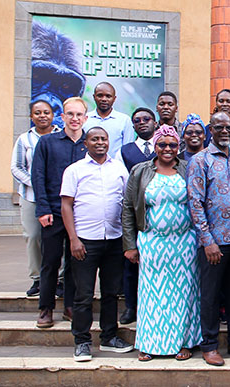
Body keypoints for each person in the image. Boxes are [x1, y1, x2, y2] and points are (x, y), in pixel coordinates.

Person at [122, 125, 200, 362]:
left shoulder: (188, 168)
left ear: (180, 147)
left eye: (173, 145)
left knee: (185, 294)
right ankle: (149, 343)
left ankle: (184, 342)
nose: (167, 149)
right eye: (162, 145)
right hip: (152, 242)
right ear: (154, 147)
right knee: (151, 294)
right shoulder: (140, 171)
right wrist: (129, 244)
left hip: (185, 243)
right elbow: (127, 207)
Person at [60, 127, 133, 361]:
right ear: (86, 142)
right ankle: (82, 341)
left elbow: (126, 203)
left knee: (111, 292)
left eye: (104, 138)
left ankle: (109, 337)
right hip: (85, 241)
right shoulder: (75, 170)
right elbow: (66, 205)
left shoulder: (118, 169)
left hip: (113, 240)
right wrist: (73, 239)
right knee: (83, 294)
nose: (100, 142)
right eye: (95, 139)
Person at [187, 112, 230, 366]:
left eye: (229, 127)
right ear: (210, 130)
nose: (225, 131)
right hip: (214, 243)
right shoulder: (200, 161)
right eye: (219, 127)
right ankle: (210, 345)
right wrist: (207, 240)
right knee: (211, 296)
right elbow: (195, 203)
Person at [32, 96, 88, 328]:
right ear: (62, 116)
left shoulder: (91, 142)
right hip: (54, 213)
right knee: (51, 261)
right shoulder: (48, 143)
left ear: (85, 118)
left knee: (76, 262)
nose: (74, 119)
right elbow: (38, 177)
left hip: (81, 216)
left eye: (79, 115)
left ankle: (70, 305)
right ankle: (46, 308)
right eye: (70, 114)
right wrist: (43, 208)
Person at [117, 107, 160, 325]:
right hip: (136, 212)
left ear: (155, 122)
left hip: (160, 213)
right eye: (137, 120)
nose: (142, 122)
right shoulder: (125, 150)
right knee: (131, 263)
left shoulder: (166, 148)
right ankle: (130, 307)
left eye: (146, 119)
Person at [11, 99, 58, 297]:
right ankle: (37, 279)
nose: (42, 116)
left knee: (58, 239)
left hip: (56, 196)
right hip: (31, 196)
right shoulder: (24, 139)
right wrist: (36, 183)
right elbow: (16, 167)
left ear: (53, 115)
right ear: (31, 116)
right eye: (37, 113)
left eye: (46, 112)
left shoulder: (59, 137)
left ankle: (60, 279)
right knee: (33, 237)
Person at [82, 82, 134, 157]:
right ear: (94, 97)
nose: (104, 99)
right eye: (100, 96)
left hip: (115, 167)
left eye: (108, 96)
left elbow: (128, 150)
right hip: (88, 166)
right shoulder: (85, 119)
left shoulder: (124, 120)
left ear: (114, 98)